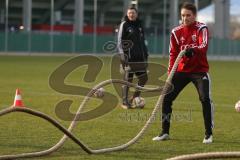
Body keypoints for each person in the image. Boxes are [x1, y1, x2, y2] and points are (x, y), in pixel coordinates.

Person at [152, 2, 214, 143]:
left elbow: (203, 46)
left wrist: (194, 50)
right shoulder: (176, 32)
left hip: (199, 71)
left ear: (194, 15)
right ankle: (164, 132)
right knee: (167, 98)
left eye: (188, 15)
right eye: (182, 15)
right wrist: (170, 72)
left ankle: (208, 134)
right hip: (181, 71)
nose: (185, 18)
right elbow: (173, 53)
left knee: (205, 99)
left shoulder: (201, 28)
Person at [117, 7, 148, 109]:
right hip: (128, 59)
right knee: (128, 80)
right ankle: (125, 103)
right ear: (127, 14)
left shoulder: (140, 25)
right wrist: (123, 57)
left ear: (136, 14)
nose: (131, 15)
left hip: (140, 58)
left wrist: (146, 56)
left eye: (133, 13)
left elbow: (143, 42)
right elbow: (120, 42)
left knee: (143, 78)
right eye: (129, 13)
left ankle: (134, 98)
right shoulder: (124, 25)